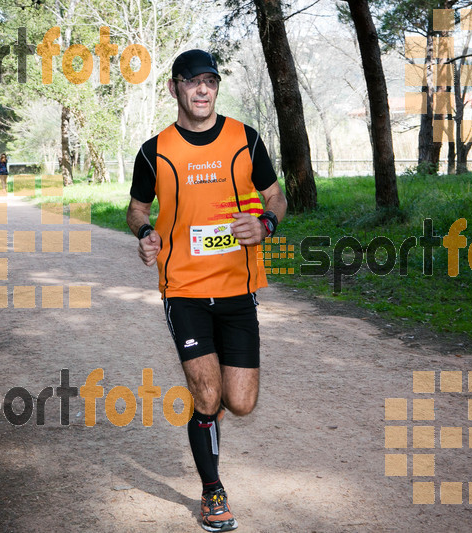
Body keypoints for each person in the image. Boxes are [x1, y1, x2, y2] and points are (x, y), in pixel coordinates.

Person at [126, 49, 286, 533]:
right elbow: (135, 209)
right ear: (174, 88)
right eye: (192, 82)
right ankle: (213, 491)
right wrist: (145, 233)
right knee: (207, 393)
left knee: (240, 402)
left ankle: (209, 406)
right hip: (185, 290)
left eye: (210, 82)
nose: (202, 90)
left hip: (238, 290)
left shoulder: (246, 139)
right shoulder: (154, 151)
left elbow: (276, 196)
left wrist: (267, 224)